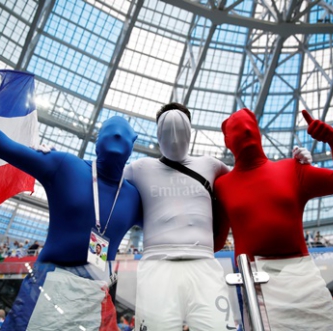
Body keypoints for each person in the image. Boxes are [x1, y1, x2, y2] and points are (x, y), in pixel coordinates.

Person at [0, 75, 142, 331]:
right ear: (96, 140)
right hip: (47, 284)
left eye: (123, 135)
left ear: (133, 143)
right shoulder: (65, 166)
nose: (116, 138)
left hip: (95, 294)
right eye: (110, 133)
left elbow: (179, 218)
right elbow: (2, 145)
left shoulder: (134, 195)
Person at [124, 103, 311, 330]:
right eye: (167, 129)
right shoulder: (140, 168)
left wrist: (296, 165)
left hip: (202, 261)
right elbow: (103, 182)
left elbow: (249, 180)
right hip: (157, 261)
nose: (174, 136)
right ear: (158, 132)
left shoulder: (209, 165)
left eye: (180, 129)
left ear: (190, 132)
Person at [214, 108, 333, 331]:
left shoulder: (293, 169)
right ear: (227, 141)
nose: (244, 130)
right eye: (237, 129)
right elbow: (216, 242)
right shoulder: (222, 186)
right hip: (257, 283)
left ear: (258, 132)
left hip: (304, 278)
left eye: (248, 126)